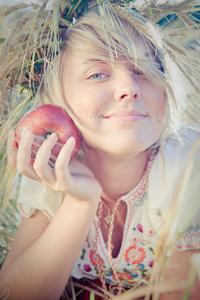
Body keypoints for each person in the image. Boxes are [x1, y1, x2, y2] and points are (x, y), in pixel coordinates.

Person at [0, 3, 200, 299]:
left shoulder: (188, 163)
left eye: (143, 69)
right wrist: (80, 202)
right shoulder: (52, 166)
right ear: (58, 96)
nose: (129, 88)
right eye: (97, 74)